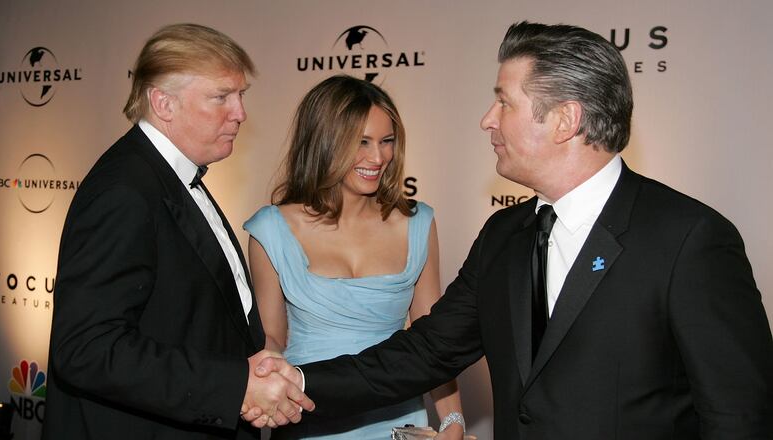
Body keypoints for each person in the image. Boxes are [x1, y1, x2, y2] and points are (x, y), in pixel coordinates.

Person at [252, 21, 773, 439]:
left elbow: (739, 416)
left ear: (565, 121)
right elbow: (426, 351)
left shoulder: (689, 239)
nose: (486, 120)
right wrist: (301, 379)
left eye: (504, 101)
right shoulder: (505, 233)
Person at [42, 23, 313, 440]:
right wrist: (234, 387)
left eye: (241, 96)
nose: (240, 112)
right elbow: (86, 350)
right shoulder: (125, 190)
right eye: (222, 97)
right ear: (163, 104)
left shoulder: (169, 177)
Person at [243, 75, 464, 439]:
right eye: (361, 142)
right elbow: (273, 339)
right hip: (309, 415)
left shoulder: (417, 223)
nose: (377, 158)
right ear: (325, 141)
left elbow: (433, 342)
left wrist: (452, 420)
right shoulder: (271, 229)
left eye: (386, 141)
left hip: (398, 422)